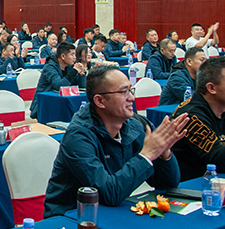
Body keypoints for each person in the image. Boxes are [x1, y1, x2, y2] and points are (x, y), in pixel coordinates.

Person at [43, 65, 187, 216]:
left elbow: (167, 184)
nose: (132, 98)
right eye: (124, 92)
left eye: (131, 90)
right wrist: (146, 155)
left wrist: (164, 152)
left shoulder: (135, 126)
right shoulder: (78, 137)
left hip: (112, 211)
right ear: (100, 101)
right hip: (73, 217)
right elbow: (109, 194)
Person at [30, 42, 86, 118]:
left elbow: (82, 87)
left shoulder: (69, 67)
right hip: (45, 106)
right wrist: (74, 71)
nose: (75, 57)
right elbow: (59, 86)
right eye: (72, 54)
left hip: (62, 103)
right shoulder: (49, 67)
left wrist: (81, 75)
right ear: (63, 56)